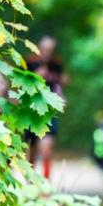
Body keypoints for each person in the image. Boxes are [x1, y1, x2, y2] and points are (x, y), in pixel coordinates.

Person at [25, 35, 67, 179]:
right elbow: (20, 85)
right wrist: (34, 78)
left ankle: (45, 183)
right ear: (39, 48)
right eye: (45, 49)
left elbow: (60, 84)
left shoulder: (57, 64)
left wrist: (61, 94)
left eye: (51, 50)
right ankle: (30, 183)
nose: (48, 52)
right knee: (31, 150)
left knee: (47, 148)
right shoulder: (29, 62)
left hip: (49, 111)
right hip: (31, 111)